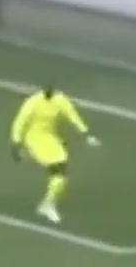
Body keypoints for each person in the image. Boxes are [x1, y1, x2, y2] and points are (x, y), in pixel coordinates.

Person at [10, 86, 100, 224]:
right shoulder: (33, 102)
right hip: (35, 139)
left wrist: (86, 134)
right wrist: (16, 143)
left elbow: (72, 115)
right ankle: (47, 205)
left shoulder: (60, 100)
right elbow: (19, 123)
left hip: (51, 138)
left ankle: (47, 203)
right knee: (59, 172)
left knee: (60, 175)